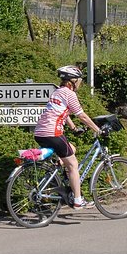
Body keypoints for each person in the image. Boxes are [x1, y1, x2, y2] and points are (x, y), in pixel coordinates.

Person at [33, 65, 101, 209]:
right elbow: (81, 115)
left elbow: (62, 111)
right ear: (73, 81)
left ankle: (60, 181)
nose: (80, 83)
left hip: (40, 133)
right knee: (73, 165)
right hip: (53, 133)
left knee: (72, 149)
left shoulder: (57, 92)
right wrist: (97, 129)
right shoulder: (70, 94)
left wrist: (73, 128)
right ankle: (77, 200)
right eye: (79, 80)